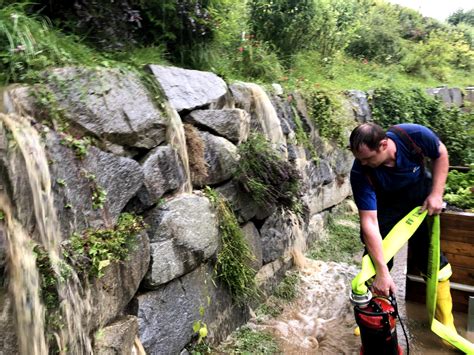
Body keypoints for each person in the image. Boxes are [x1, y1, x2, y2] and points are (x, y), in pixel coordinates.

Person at [349, 122, 456, 335]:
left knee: (431, 259)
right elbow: (369, 222)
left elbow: (441, 153)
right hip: (386, 205)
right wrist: (381, 272)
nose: (363, 163)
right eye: (360, 158)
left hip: (419, 199)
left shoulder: (413, 135)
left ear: (383, 144)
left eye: (368, 158)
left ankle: (446, 323)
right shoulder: (361, 171)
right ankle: (379, 317)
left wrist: (436, 194)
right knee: (375, 262)